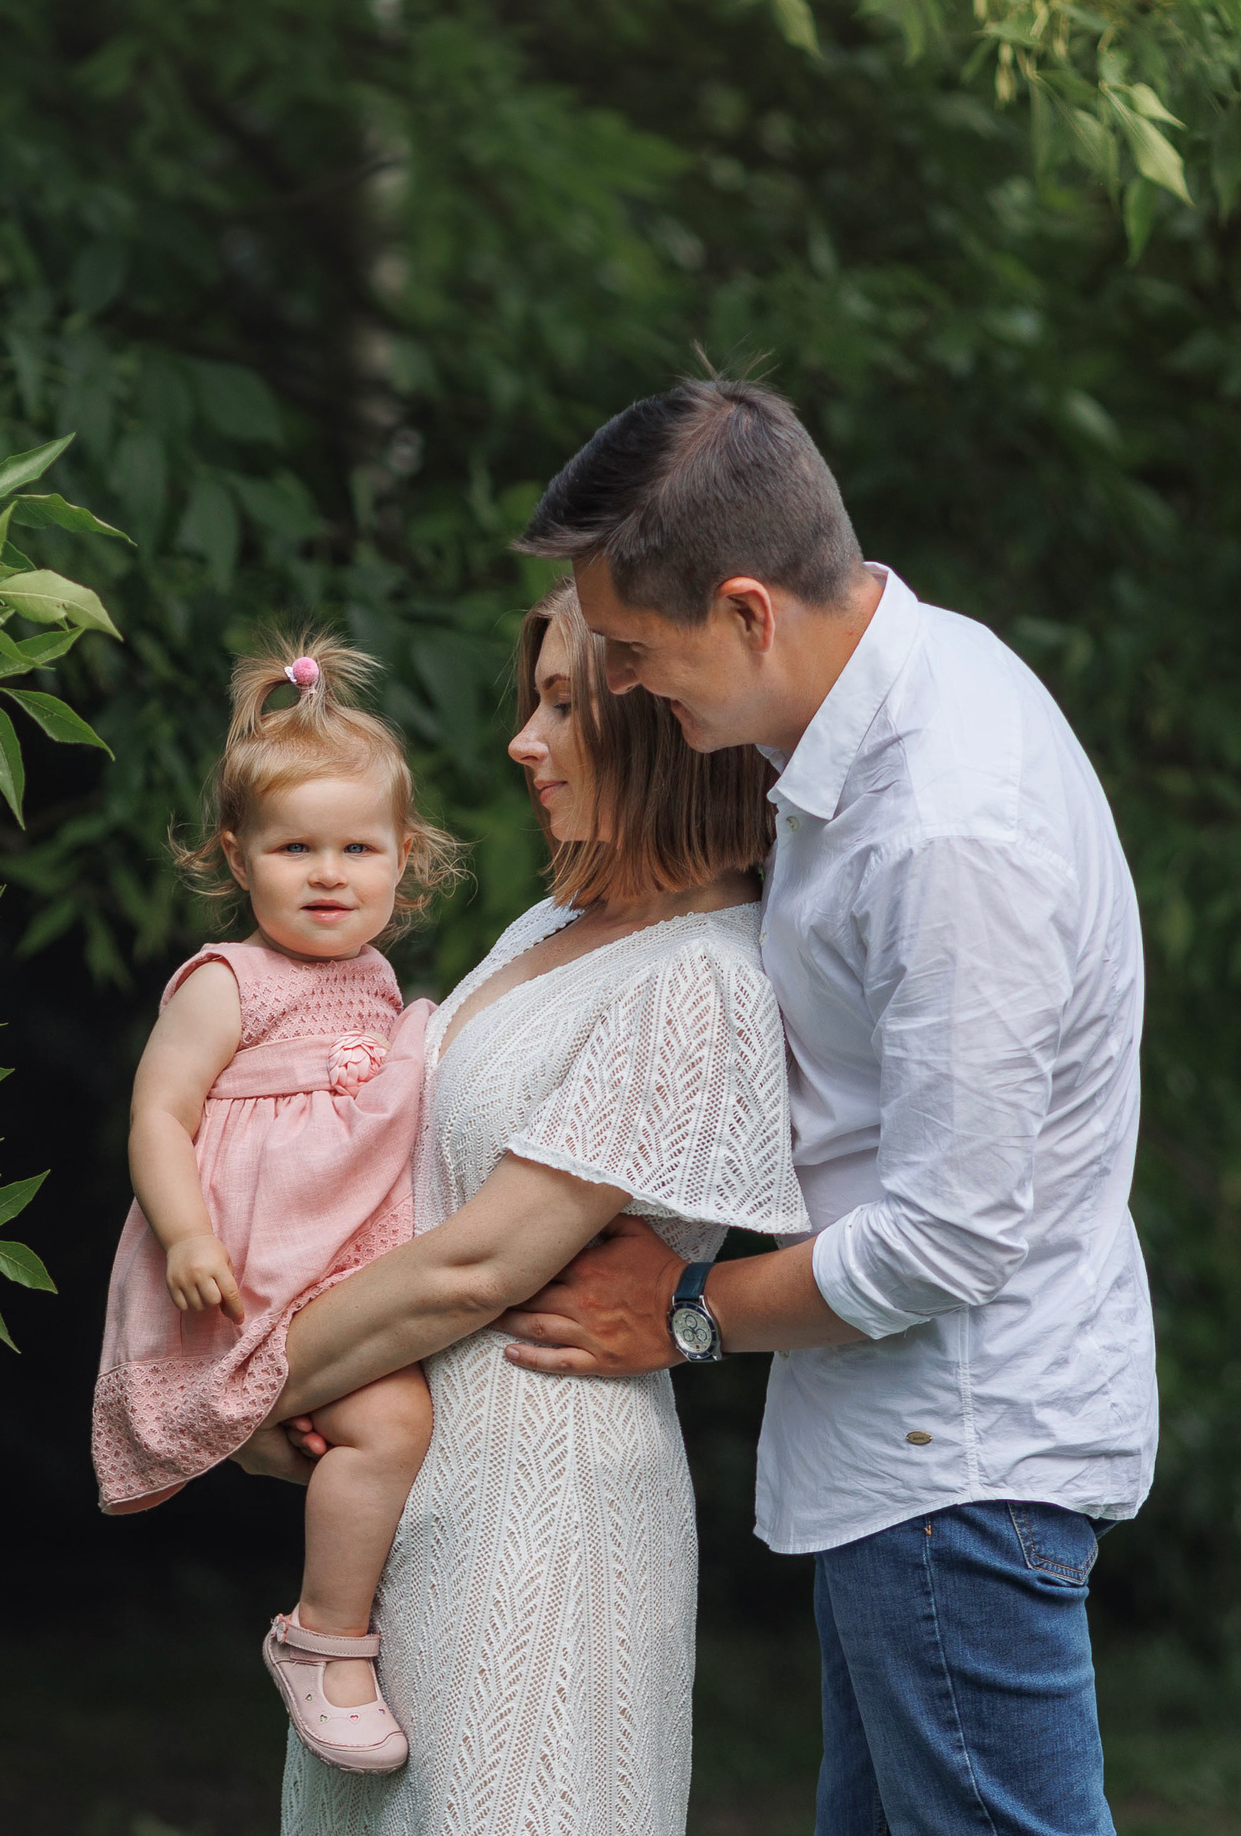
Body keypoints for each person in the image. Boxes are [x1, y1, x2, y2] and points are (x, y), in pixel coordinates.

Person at [494, 378, 1159, 1836]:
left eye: (634, 652)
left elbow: (952, 1235)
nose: (625, 688)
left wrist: (681, 1310)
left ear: (747, 611)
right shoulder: (887, 700)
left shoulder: (947, 824)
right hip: (900, 1465)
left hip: (958, 1465)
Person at [249, 580, 808, 1835]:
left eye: (562, 705)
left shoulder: (702, 977)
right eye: (532, 701)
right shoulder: (554, 923)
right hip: (411, 1499)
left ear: (657, 722)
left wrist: (227, 1388)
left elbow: (481, 1264)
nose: (522, 741)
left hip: (540, 1514)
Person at [90, 633, 460, 1774]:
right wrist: (186, 1233)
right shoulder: (226, 980)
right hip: (251, 1261)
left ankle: (352, 1606)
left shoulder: (379, 984)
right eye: (295, 848)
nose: (328, 874)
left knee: (394, 1426)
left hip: (346, 1253)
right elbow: (159, 1116)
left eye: (358, 848)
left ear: (404, 859)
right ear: (236, 859)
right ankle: (325, 1638)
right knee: (390, 1426)